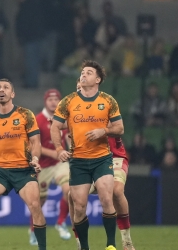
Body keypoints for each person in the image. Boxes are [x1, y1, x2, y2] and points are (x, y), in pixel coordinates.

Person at [51, 60, 124, 250]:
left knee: (107, 198)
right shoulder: (68, 101)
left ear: (98, 79)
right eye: (82, 72)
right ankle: (84, 247)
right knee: (80, 206)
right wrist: (59, 149)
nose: (83, 75)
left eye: (89, 72)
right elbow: (55, 126)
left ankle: (110, 245)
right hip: (78, 161)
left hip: (102, 158)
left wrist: (104, 131)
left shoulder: (108, 101)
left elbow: (120, 128)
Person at [0, 78, 46, 250]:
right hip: (1, 171)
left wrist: (35, 159)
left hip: (24, 169)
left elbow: (36, 142)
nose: (2, 90)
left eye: (6, 87)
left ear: (12, 94)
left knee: (35, 205)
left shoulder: (25, 114)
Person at [69, 79, 136, 250]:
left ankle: (126, 240)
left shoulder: (104, 104)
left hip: (115, 156)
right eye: (78, 88)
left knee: (117, 190)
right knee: (72, 196)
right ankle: (79, 241)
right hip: (88, 160)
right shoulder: (72, 112)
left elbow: (118, 127)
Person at [29, 89, 71, 246]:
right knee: (39, 201)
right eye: (50, 99)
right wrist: (53, 153)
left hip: (60, 163)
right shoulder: (38, 120)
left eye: (56, 99)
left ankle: (60, 223)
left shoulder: (62, 119)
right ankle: (33, 230)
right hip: (42, 165)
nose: (53, 102)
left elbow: (67, 137)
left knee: (69, 190)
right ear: (45, 101)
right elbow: (31, 144)